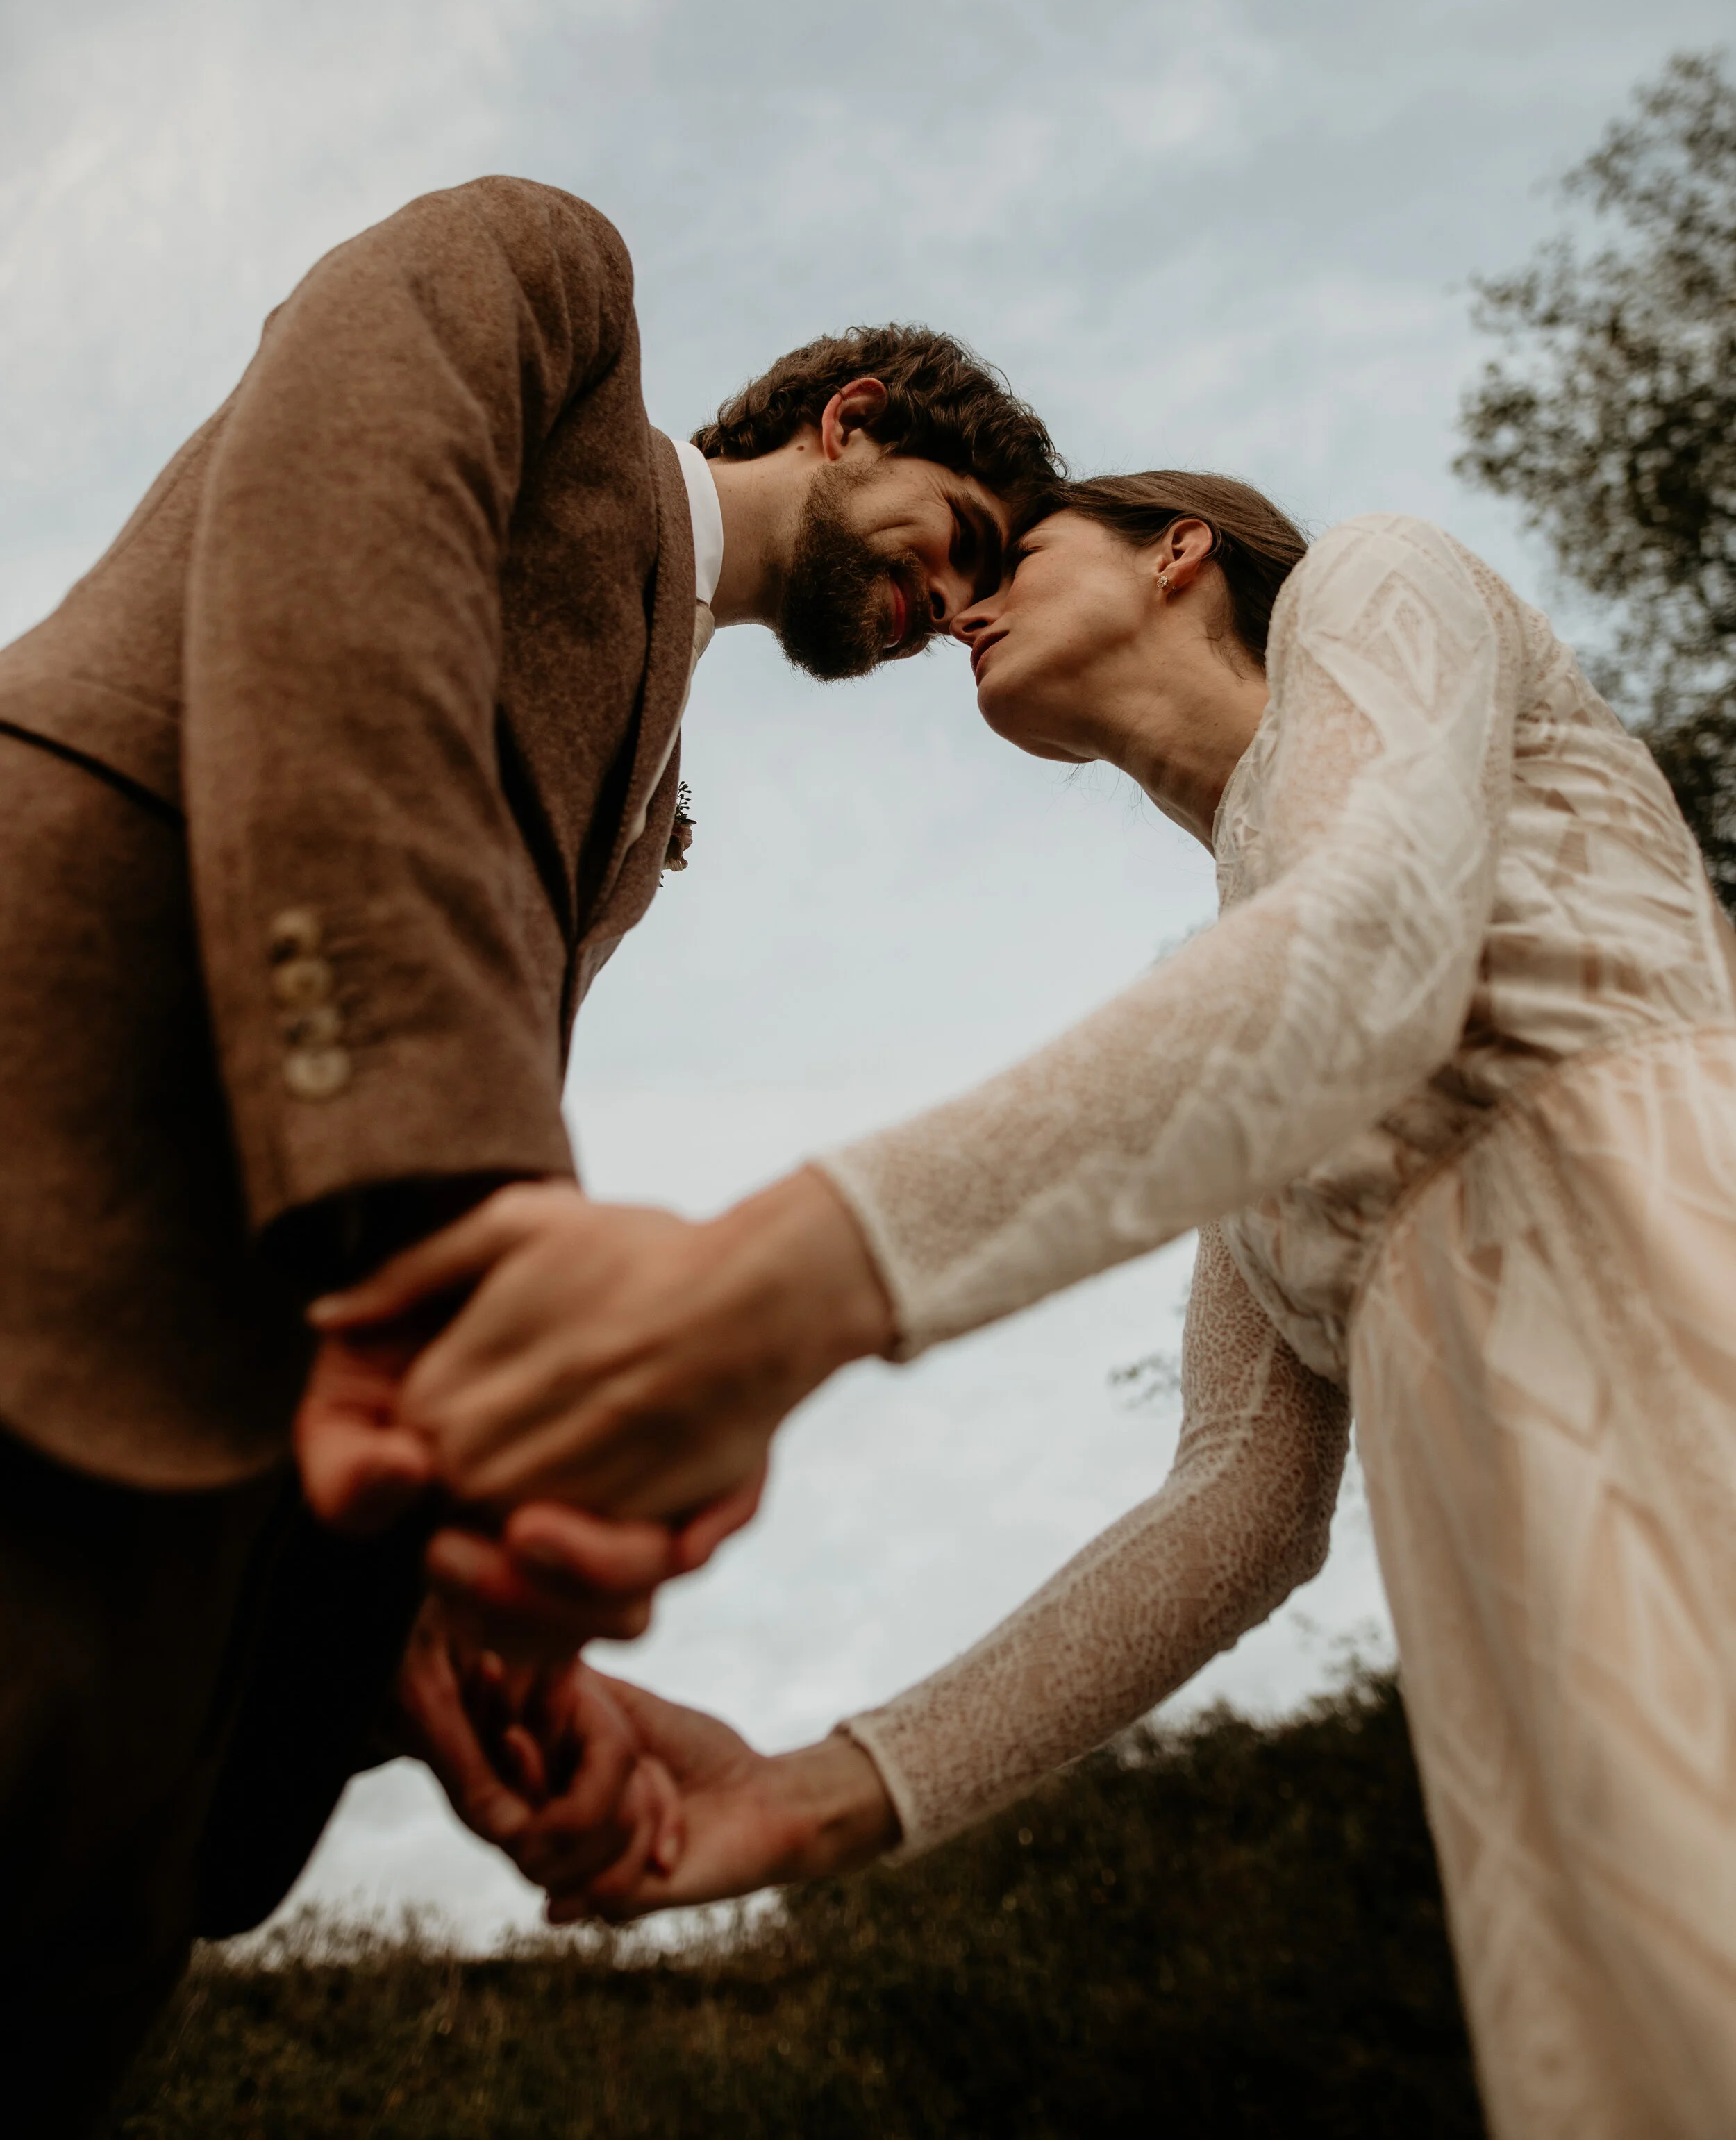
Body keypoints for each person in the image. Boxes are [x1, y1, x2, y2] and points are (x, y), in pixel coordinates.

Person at [341, 473, 1736, 2140]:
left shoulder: (1383, 578)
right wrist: (811, 1798)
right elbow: (1232, 1509)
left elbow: (1365, 950)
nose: (965, 610)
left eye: (1021, 550)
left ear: (1179, 546)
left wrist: (771, 1281)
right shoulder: (1224, 1039)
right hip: (1514, 1626)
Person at [0, 169, 1060, 2138]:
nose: (946, 610)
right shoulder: (555, 278)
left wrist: (410, 1599)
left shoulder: (655, 816)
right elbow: (337, 540)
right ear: (856, 416)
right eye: (961, 534)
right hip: (51, 1127)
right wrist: (480, 1227)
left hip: (238, 1487)